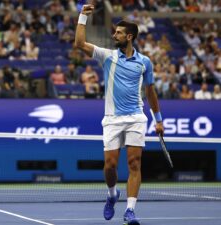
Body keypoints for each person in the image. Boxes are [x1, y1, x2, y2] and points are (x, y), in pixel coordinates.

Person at [75, 5, 164, 225]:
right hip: (113, 120)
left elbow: (150, 91)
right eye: (115, 32)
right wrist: (83, 16)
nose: (114, 35)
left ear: (130, 36)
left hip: (136, 118)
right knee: (110, 166)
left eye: (119, 33)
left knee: (134, 163)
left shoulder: (145, 63)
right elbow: (79, 43)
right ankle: (112, 194)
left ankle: (130, 210)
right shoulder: (107, 57)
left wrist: (158, 119)